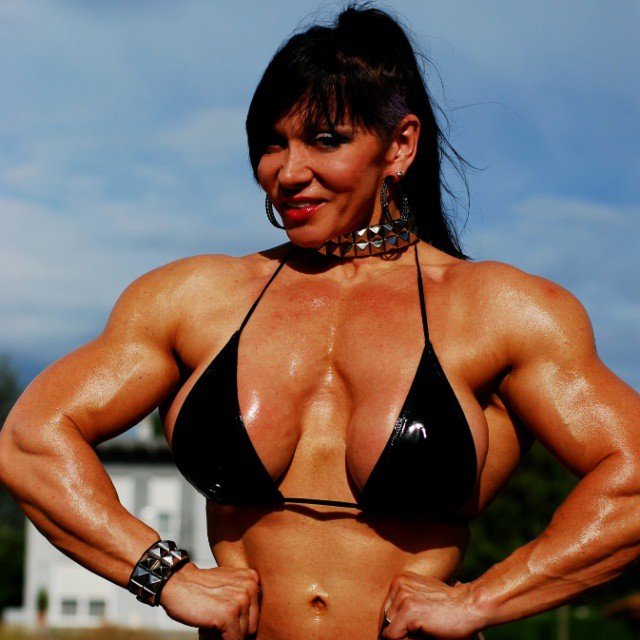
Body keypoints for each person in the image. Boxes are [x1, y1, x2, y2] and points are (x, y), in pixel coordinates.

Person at [1, 4, 639, 640]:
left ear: (400, 145)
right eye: (271, 144)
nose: (288, 172)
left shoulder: (499, 310)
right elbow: (31, 442)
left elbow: (632, 478)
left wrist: (482, 600)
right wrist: (166, 575)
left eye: (326, 140)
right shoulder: (195, 299)